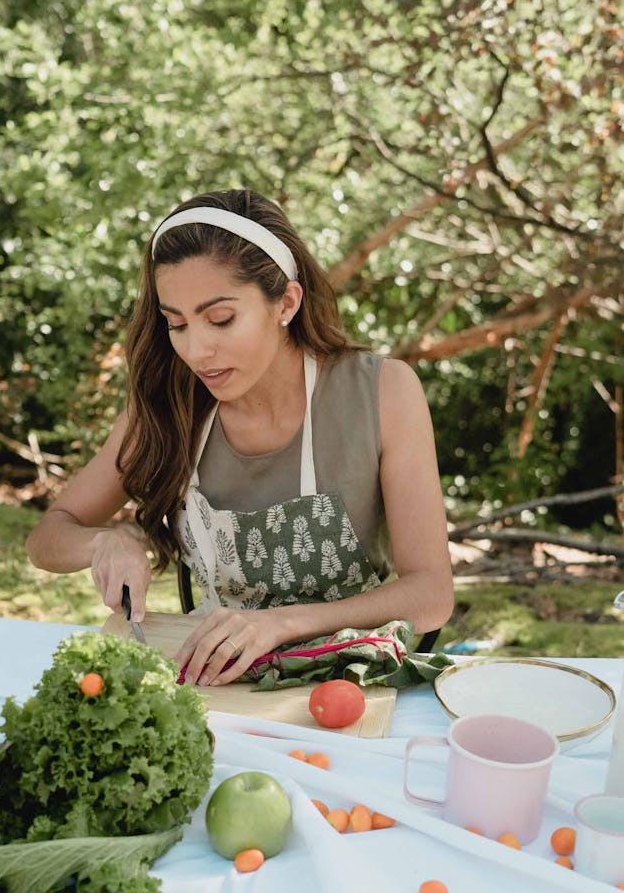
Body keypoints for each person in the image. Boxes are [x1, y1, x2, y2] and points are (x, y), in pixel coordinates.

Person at [26, 188, 453, 686]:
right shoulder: (170, 406)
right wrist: (106, 542)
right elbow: (47, 538)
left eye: (221, 319)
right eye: (176, 324)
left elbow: (431, 593)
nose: (197, 350)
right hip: (223, 684)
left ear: (286, 303)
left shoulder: (382, 392)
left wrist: (281, 624)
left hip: (352, 684)